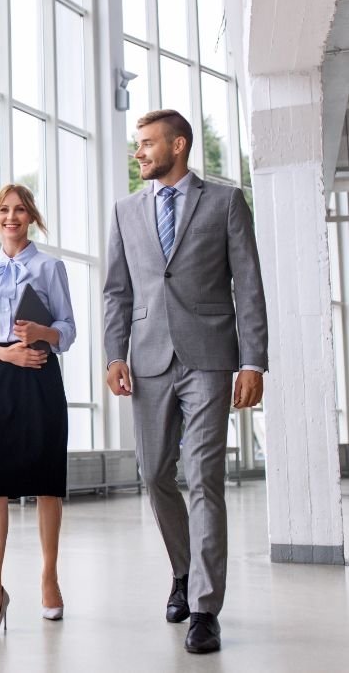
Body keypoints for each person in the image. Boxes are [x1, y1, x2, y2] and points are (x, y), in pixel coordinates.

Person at [103, 109, 268, 654]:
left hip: (211, 357)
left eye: (147, 144)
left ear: (178, 145)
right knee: (154, 474)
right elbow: (117, 291)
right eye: (137, 145)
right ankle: (182, 569)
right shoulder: (126, 211)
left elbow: (248, 284)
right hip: (147, 359)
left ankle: (204, 607)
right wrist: (113, 353)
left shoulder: (224, 202)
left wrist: (254, 361)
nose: (139, 153)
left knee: (203, 476)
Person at [0, 184, 76, 636]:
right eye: (4, 210)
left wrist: (41, 334)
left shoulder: (50, 267)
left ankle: (49, 576)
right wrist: (6, 352)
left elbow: (68, 330)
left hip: (42, 375)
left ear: (30, 218)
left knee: (48, 480)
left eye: (20, 210)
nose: (12, 217)